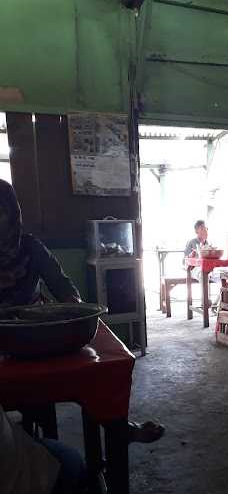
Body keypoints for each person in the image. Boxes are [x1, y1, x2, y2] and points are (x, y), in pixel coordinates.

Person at [0, 179, 163, 444]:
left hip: (33, 339)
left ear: (13, 214)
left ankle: (117, 426)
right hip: (5, 350)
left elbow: (64, 288)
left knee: (98, 365)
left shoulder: (30, 248)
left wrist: (69, 316)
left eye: (1, 211)